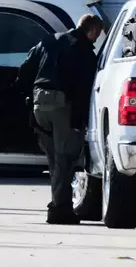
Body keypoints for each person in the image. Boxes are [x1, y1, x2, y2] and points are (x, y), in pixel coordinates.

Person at [15, 13, 103, 225]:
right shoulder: (85, 53)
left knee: (55, 160)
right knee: (65, 160)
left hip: (39, 104)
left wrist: (28, 97)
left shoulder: (49, 40)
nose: (95, 39)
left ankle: (58, 205)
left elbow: (26, 69)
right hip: (63, 107)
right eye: (97, 35)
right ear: (91, 31)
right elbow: (83, 90)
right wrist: (79, 120)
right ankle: (59, 210)